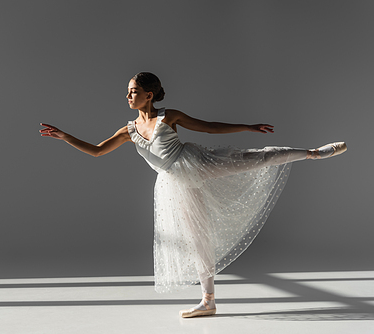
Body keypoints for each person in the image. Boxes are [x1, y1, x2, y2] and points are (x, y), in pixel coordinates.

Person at [39, 72, 346, 318]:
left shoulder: (168, 116)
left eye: (133, 91)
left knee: (251, 158)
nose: (128, 96)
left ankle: (313, 153)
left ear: (149, 94)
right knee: (199, 237)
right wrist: (66, 136)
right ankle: (208, 301)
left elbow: (209, 128)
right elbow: (96, 151)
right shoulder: (128, 130)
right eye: (127, 92)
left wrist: (247, 126)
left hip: (195, 163)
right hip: (173, 183)